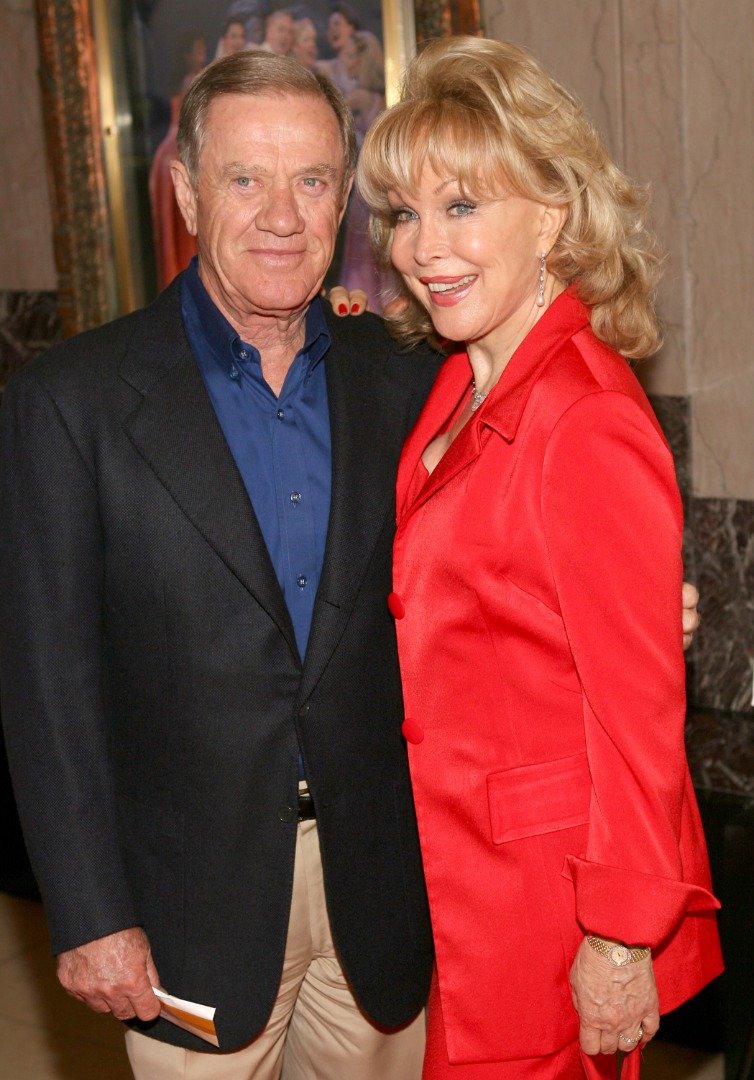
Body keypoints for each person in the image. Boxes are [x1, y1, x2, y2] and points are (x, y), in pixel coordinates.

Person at [0, 51, 442, 1080]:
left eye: (312, 180)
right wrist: (90, 912)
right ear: (189, 194)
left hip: (381, 886)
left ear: (346, 202)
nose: (281, 214)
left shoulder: (409, 378)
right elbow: (45, 686)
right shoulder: (72, 402)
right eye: (246, 178)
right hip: (183, 900)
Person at [357, 36, 722, 1079]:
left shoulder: (584, 416)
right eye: (406, 214)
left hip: (549, 909)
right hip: (461, 880)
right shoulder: (458, 381)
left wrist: (616, 937)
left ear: (551, 216)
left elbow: (638, 711)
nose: (425, 247)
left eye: (462, 205)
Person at [149, 29, 207, 289]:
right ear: (187, 54)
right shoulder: (193, 82)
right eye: (199, 50)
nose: (203, 55)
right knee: (185, 227)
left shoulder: (185, 80)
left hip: (167, 154)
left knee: (174, 229)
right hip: (180, 152)